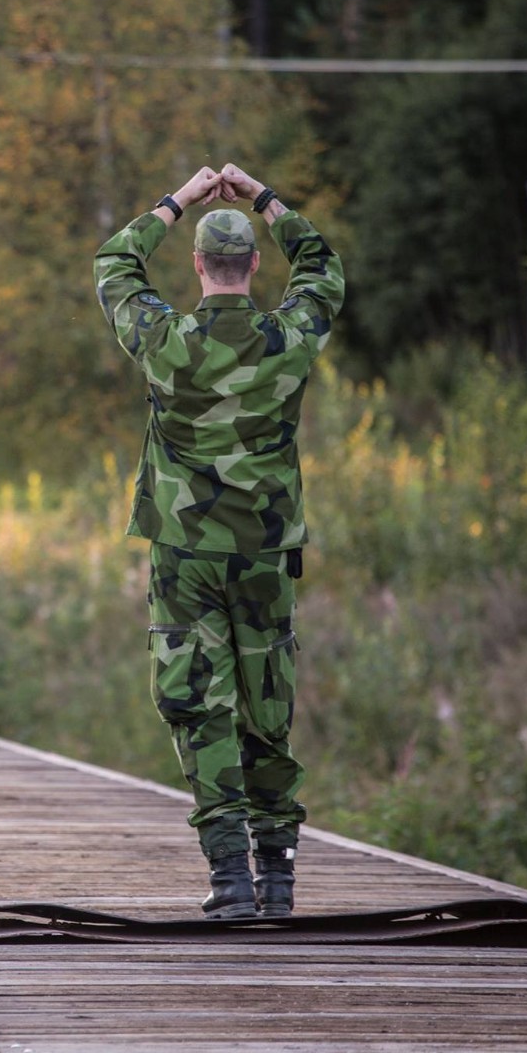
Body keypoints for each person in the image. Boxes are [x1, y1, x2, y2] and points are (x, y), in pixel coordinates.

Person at [92, 163, 346, 919]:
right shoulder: (290, 338)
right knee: (267, 704)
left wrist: (179, 198)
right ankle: (280, 876)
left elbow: (113, 262)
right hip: (265, 553)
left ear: (199, 265)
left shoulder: (165, 340)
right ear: (255, 265)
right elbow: (324, 266)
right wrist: (263, 196)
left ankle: (230, 875)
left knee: (197, 706)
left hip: (187, 556)